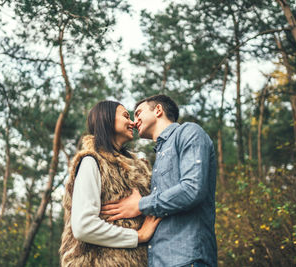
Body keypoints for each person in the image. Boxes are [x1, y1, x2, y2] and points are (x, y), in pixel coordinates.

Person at [101, 95, 217, 267]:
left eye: (138, 113)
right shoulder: (158, 157)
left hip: (188, 258)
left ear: (158, 110)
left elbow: (192, 189)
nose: (134, 121)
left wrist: (140, 205)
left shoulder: (189, 132)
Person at [59, 100, 161, 267]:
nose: (133, 123)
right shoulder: (92, 162)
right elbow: (84, 226)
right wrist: (139, 236)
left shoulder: (139, 170)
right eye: (126, 116)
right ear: (106, 119)